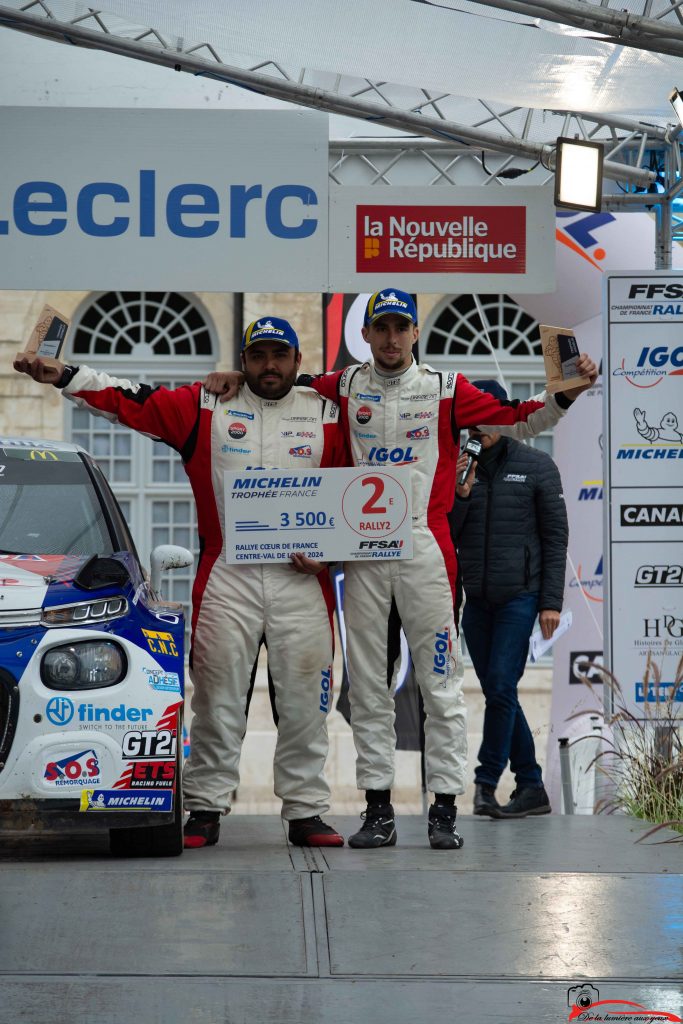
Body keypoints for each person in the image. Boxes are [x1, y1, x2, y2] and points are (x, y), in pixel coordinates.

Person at [204, 289, 597, 850]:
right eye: (380, 328)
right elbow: (277, 386)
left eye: (400, 328)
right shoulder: (341, 385)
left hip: (423, 552)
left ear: (415, 333)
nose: (390, 339)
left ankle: (444, 810)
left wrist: (567, 392)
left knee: (441, 685)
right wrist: (230, 377)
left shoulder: (445, 388)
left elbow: (521, 420)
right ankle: (378, 810)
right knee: (368, 687)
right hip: (361, 555)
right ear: (364, 335)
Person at [14, 317, 349, 850]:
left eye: (279, 356)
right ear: (243, 360)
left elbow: (359, 492)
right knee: (216, 696)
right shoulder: (206, 406)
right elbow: (132, 399)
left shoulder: (330, 412)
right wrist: (65, 375)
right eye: (258, 356)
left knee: (307, 699)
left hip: (301, 580)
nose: (269, 366)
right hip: (227, 574)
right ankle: (206, 808)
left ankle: (307, 811)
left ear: (298, 361)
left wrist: (335, 555)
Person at [451, 379, 568, 818]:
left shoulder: (537, 465)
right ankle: (532, 785)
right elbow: (451, 533)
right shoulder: (459, 467)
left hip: (521, 596)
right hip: (476, 601)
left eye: (484, 420)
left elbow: (555, 538)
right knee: (501, 693)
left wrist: (550, 602)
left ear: (503, 418)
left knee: (501, 687)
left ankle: (484, 785)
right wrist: (461, 492)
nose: (476, 430)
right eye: (470, 423)